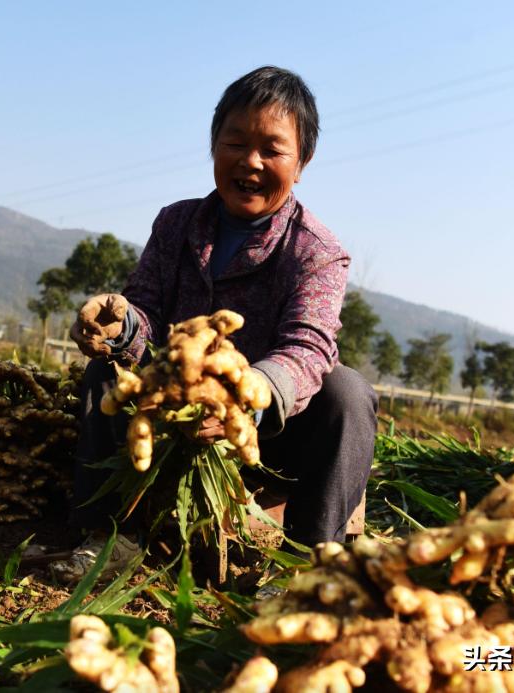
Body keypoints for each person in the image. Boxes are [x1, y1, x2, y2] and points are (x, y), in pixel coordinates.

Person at [55, 66, 378, 582]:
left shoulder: (317, 253)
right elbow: (148, 316)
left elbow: (308, 348)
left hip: (267, 434)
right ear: (213, 145)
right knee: (106, 374)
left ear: (302, 162)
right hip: (171, 415)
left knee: (347, 393)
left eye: (272, 150)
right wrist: (120, 325)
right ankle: (109, 537)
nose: (250, 161)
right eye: (235, 142)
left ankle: (305, 570)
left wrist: (241, 399)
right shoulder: (176, 224)